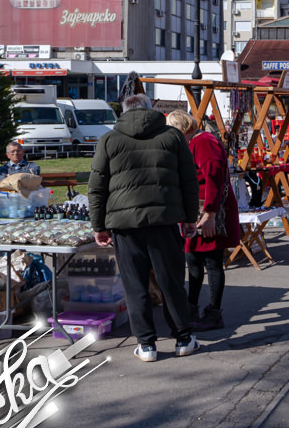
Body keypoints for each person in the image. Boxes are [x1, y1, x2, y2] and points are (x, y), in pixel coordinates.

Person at [89, 94, 201, 362]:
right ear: (151, 110)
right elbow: (189, 180)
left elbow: (97, 187)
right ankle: (183, 338)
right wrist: (189, 218)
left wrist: (99, 225)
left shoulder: (109, 140)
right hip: (164, 220)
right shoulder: (172, 137)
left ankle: (147, 344)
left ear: (123, 111)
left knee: (135, 284)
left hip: (124, 226)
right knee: (170, 282)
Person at [166, 109, 241, 332]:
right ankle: (191, 308)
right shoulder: (198, 141)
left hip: (207, 211)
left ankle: (213, 313)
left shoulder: (203, 142)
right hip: (197, 210)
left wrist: (210, 213)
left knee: (211, 262)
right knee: (194, 261)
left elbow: (214, 177)